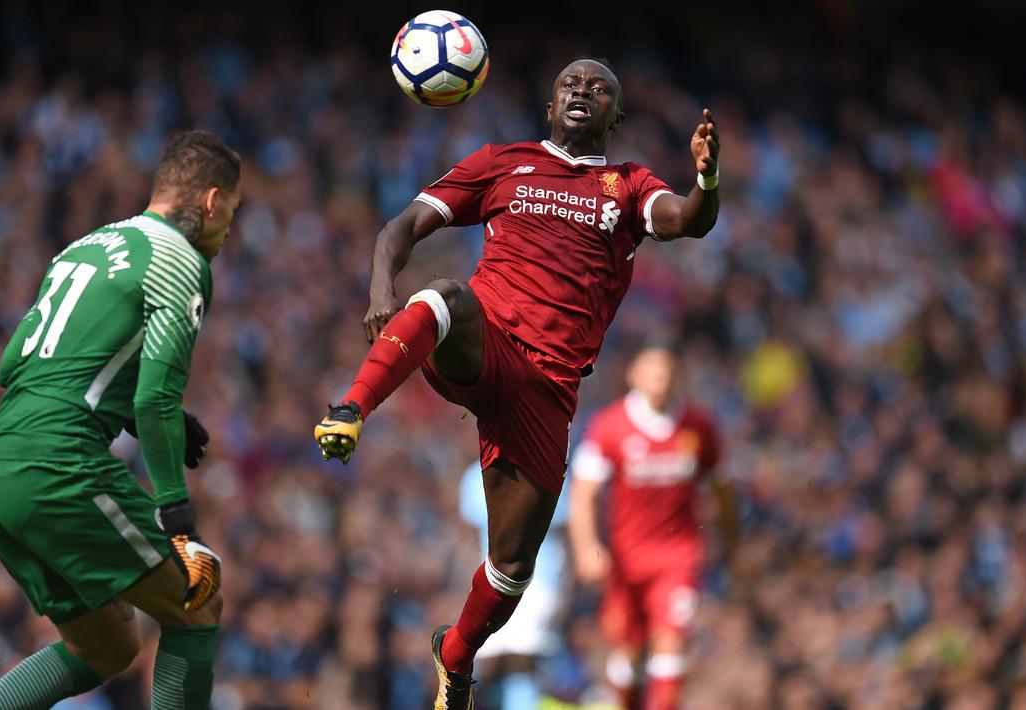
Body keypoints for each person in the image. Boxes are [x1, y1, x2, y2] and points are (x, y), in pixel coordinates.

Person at [314, 57, 721, 709]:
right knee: (445, 296)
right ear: (550, 106)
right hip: (488, 342)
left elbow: (690, 219)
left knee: (510, 571)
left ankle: (455, 655)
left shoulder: (628, 184)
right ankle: (351, 407)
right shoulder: (502, 163)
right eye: (569, 84)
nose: (582, 91)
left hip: (546, 390)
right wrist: (380, 294)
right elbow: (402, 227)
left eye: (598, 88)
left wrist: (706, 177)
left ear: (615, 115)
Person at [0, 130, 241, 710]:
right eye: (232, 214)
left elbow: (11, 363)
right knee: (198, 598)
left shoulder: (84, 247)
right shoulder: (180, 260)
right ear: (212, 201)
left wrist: (131, 409)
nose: (228, 232)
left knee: (107, 647)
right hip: (60, 463)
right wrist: (178, 517)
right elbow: (154, 399)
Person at [567, 341, 738, 710]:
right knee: (627, 655)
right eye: (653, 366)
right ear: (634, 373)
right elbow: (583, 492)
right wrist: (586, 547)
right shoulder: (610, 426)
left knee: (670, 645)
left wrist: (732, 543)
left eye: (668, 367)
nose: (661, 374)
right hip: (626, 561)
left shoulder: (698, 427)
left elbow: (722, 488)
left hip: (679, 557)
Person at [458, 462, 569, 710]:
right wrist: (467, 591)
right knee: (491, 663)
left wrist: (564, 591)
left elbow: (564, 539)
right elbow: (468, 543)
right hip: (490, 582)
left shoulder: (548, 464)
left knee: (524, 659)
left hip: (539, 583)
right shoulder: (473, 477)